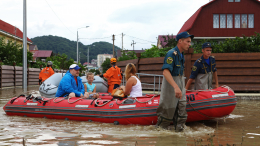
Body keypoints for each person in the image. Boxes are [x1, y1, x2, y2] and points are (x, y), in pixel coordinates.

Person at [156, 31, 194, 132]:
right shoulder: (171, 54)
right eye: (188, 41)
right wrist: (176, 87)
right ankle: (160, 136)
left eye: (190, 42)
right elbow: (166, 72)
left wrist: (182, 88)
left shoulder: (181, 56)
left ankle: (179, 138)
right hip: (171, 89)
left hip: (180, 89)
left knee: (182, 115)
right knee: (166, 117)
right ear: (180, 41)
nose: (189, 44)